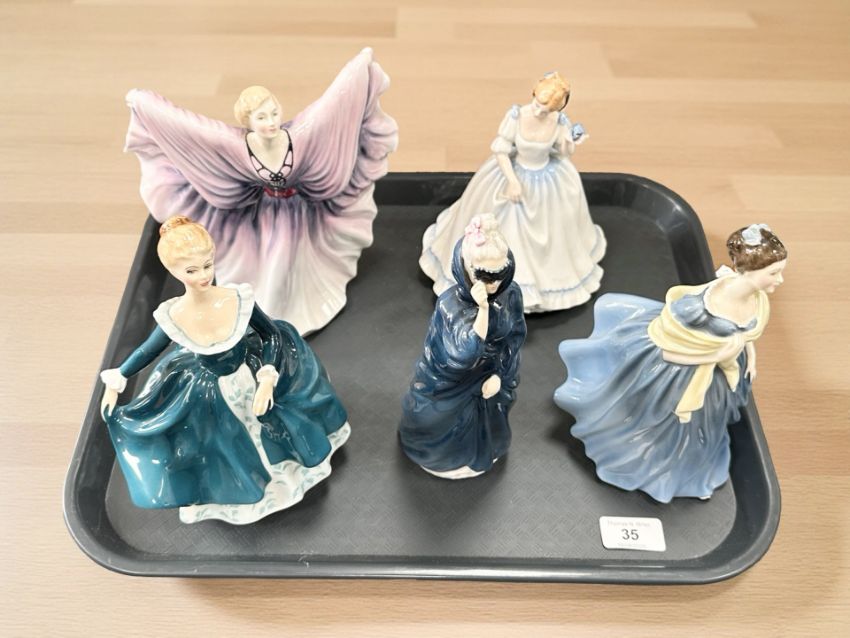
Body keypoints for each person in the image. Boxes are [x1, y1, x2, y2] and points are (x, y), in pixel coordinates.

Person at [124, 47, 399, 335]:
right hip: (265, 217)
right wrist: (142, 104)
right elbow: (189, 129)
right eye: (261, 117)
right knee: (272, 269)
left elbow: (334, 107)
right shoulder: (235, 146)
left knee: (300, 267)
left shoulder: (300, 136)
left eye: (274, 113)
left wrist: (360, 68)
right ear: (248, 122)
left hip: (299, 213)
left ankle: (305, 304)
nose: (270, 122)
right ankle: (270, 313)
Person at [100, 216, 350, 524]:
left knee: (270, 425)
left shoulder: (236, 298)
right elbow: (147, 350)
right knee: (224, 441)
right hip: (210, 389)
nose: (204, 275)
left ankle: (283, 470)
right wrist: (118, 377)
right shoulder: (174, 315)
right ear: (173, 271)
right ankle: (244, 486)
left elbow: (271, 334)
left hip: (252, 371)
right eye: (191, 270)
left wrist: (267, 378)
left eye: (207, 265)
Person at [554, 224, 788, 502]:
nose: (780, 279)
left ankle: (689, 463)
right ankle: (653, 463)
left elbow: (745, 334)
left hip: (718, 377)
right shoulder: (700, 308)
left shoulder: (756, 300)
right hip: (679, 376)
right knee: (664, 423)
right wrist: (717, 355)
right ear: (749, 271)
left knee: (703, 426)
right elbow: (668, 352)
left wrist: (750, 357)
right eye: (773, 272)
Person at [420, 72, 605, 313]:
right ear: (533, 94)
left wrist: (570, 139)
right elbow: (501, 150)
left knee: (553, 231)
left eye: (546, 109)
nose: (539, 111)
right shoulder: (517, 116)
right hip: (511, 173)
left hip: (546, 181)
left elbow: (562, 152)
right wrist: (512, 181)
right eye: (537, 103)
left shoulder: (559, 122)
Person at [400, 215, 527, 479]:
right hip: (452, 381)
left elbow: (514, 337)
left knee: (492, 415)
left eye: (499, 275)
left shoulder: (511, 295)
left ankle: (485, 448)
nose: (493, 284)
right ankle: (446, 457)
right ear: (465, 269)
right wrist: (483, 310)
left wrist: (500, 375)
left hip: (492, 374)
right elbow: (462, 356)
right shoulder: (449, 305)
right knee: (431, 418)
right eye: (484, 276)